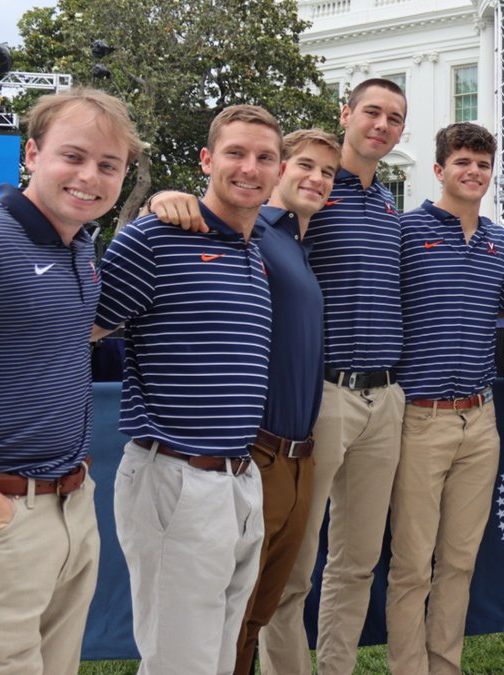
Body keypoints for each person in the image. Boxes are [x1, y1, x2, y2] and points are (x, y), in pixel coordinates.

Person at [92, 104, 282, 674]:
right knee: (181, 661)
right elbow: (78, 335)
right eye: (236, 153)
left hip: (238, 480)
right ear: (206, 160)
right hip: (175, 476)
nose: (250, 168)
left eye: (264, 157)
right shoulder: (154, 238)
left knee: (219, 656)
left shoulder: (255, 251)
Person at [146, 128, 341, 675]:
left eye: (328, 172)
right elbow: (206, 214)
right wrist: (169, 198)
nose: (316, 179)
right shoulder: (251, 233)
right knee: (225, 620)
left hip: (300, 457)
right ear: (282, 172)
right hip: (255, 453)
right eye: (304, 165)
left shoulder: (296, 245)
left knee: (255, 616)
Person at [0, 88, 140, 675]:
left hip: (70, 507)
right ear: (30, 154)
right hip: (1, 518)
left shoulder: (82, 250)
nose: (89, 176)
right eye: (72, 156)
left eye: (108, 165)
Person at [258, 79, 408, 675]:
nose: (381, 124)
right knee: (294, 566)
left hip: (385, 398)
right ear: (346, 114)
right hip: (321, 396)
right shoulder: (308, 194)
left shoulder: (388, 206)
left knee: (356, 562)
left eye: (394, 118)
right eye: (371, 111)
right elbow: (245, 218)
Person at [385, 122, 504, 674]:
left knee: (459, 562)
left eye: (482, 165)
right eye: (463, 162)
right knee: (412, 565)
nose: (473, 172)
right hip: (420, 416)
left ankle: (446, 667)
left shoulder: (497, 240)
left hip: (480, 420)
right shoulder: (406, 231)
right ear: (439, 170)